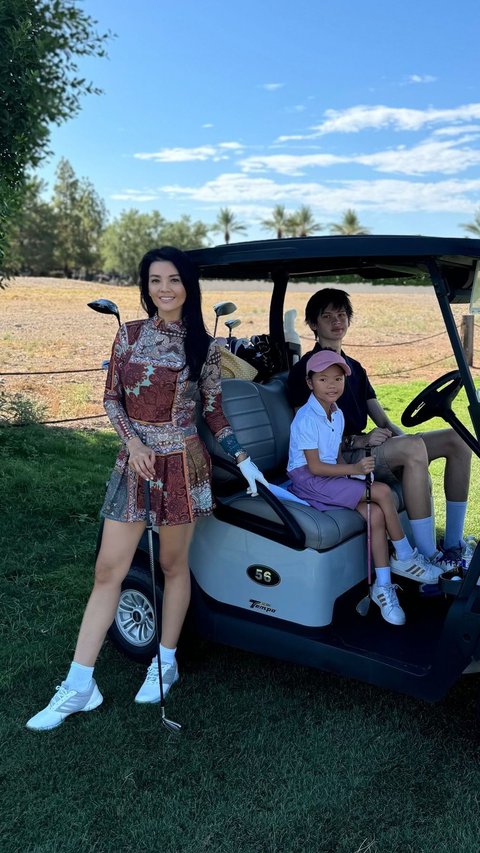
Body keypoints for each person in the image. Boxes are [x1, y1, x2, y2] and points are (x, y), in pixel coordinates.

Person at [27, 246, 268, 731]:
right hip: (133, 464)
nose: (164, 288)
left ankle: (167, 660)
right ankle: (79, 685)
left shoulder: (204, 347)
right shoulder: (128, 336)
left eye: (174, 279)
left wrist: (242, 458)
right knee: (106, 571)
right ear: (146, 286)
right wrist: (133, 443)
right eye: (155, 280)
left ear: (189, 286)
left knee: (173, 566)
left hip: (182, 463)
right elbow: (111, 398)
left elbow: (214, 413)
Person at [287, 288, 472, 571]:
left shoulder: (354, 369)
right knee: (411, 449)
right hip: (339, 457)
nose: (337, 322)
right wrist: (359, 439)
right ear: (313, 324)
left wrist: (403, 436)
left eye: (342, 315)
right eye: (327, 317)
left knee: (455, 439)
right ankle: (427, 556)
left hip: (364, 447)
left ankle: (452, 546)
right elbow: (311, 431)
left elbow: (382, 420)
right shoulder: (306, 372)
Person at [287, 350, 443, 626]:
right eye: (323, 379)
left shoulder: (336, 414)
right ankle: (406, 556)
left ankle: (382, 586)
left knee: (376, 514)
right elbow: (314, 467)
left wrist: (348, 478)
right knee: (381, 491)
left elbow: (333, 456)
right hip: (308, 481)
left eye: (338, 379)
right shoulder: (306, 418)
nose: (332, 385)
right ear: (310, 383)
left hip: (328, 477)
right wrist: (354, 471)